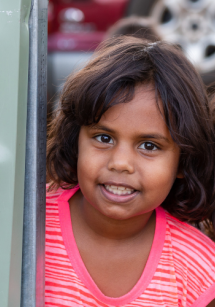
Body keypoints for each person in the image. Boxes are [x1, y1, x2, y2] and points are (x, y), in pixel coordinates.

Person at [46, 36, 215, 306]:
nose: (120, 163)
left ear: (183, 161)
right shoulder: (26, 223)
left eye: (149, 145)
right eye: (104, 138)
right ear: (76, 139)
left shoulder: (197, 270)